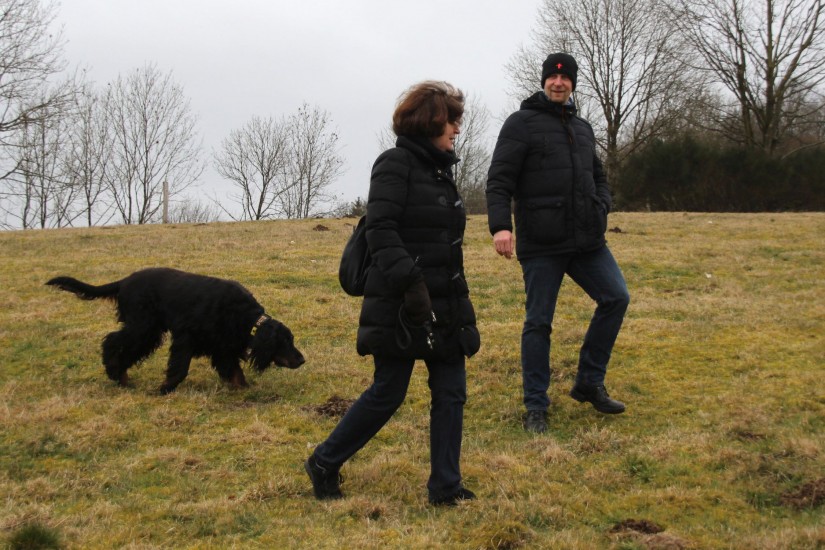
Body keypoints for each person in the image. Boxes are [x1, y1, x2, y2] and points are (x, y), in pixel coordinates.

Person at [305, 80, 481, 505]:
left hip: (445, 301)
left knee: (451, 391)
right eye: (452, 121)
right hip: (401, 302)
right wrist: (412, 284)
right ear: (430, 122)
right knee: (388, 391)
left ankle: (445, 487)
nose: (457, 129)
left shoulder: (441, 170)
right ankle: (324, 461)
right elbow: (381, 231)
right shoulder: (394, 164)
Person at [485, 52, 630, 434]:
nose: (559, 83)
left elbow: (598, 176)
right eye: (553, 77)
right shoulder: (521, 123)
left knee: (616, 298)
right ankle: (536, 405)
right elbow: (499, 179)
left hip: (587, 240)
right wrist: (500, 227)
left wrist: (602, 205)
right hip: (541, 243)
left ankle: (589, 382)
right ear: (544, 80)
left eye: (565, 79)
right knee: (539, 323)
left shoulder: (583, 128)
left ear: (573, 84)